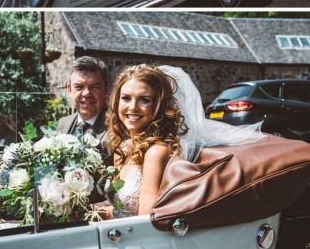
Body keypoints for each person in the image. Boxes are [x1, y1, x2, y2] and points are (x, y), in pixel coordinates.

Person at [0, 56, 111, 232]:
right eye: (79, 87)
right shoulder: (64, 123)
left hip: (68, 208)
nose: (86, 93)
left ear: (106, 90)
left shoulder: (114, 130)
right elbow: (43, 161)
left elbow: (112, 191)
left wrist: (84, 211)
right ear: (69, 90)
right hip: (38, 194)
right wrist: (8, 171)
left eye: (94, 87)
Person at [98, 64, 262, 219]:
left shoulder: (156, 153)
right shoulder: (123, 147)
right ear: (116, 102)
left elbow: (143, 221)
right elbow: (122, 211)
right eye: (126, 98)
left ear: (158, 106)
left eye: (144, 100)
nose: (133, 107)